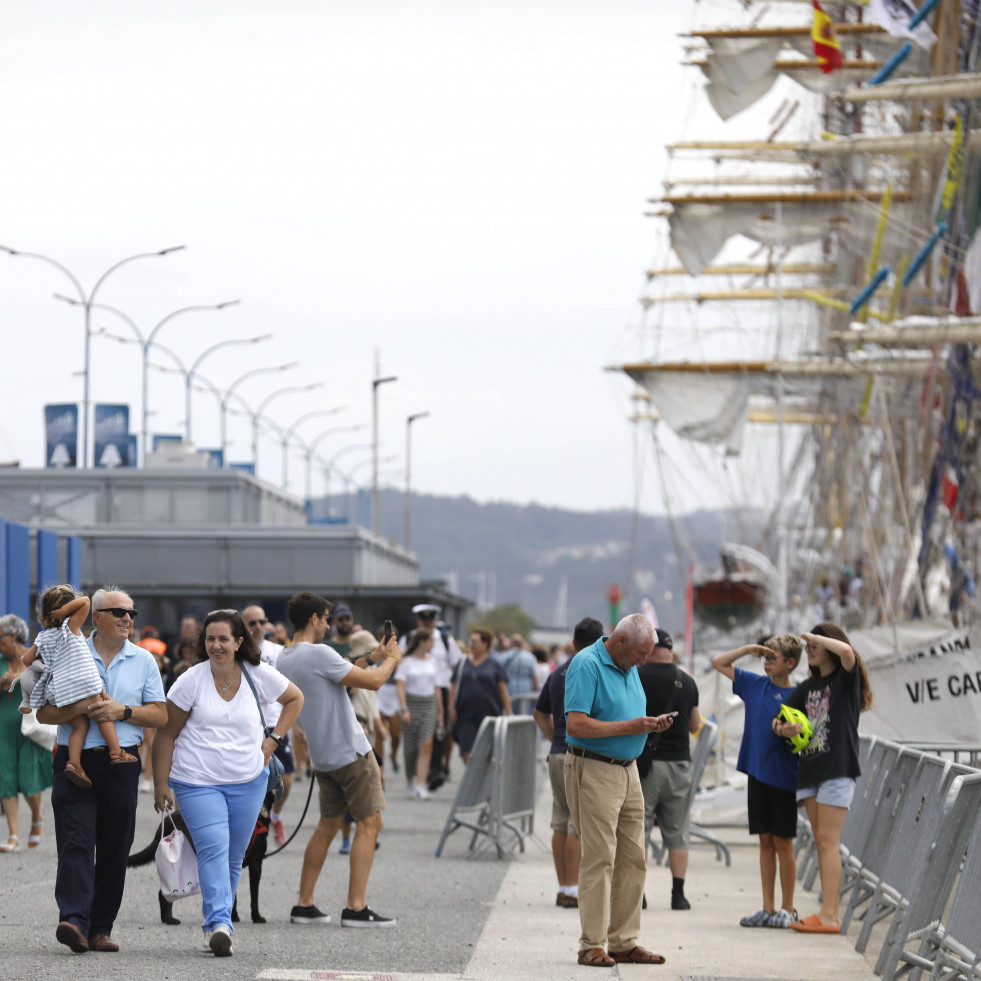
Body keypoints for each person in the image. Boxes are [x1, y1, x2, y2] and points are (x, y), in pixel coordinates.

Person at [152, 608, 303, 957]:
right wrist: (161, 783)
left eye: (223, 639)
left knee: (235, 856)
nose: (216, 645)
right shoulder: (191, 680)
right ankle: (220, 922)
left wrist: (274, 740)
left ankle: (215, 924)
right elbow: (166, 735)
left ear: (238, 642)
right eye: (210, 639)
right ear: (203, 643)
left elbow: (295, 699)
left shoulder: (258, 673)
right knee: (214, 848)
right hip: (196, 780)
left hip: (249, 779)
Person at [36, 586, 168, 954]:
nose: (128, 618)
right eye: (119, 612)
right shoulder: (67, 647)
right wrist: (78, 710)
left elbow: (160, 714)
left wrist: (121, 711)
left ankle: (99, 928)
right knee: (76, 841)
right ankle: (74, 921)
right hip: (73, 760)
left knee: (114, 847)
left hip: (121, 762)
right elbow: (43, 713)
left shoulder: (143, 660)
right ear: (96, 617)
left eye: (131, 613)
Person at [276, 591, 401, 928]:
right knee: (369, 823)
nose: (330, 625)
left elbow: (341, 675)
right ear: (314, 618)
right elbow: (373, 682)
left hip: (323, 758)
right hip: (351, 750)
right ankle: (356, 908)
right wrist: (392, 658)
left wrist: (373, 655)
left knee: (327, 825)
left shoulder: (285, 657)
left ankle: (304, 903)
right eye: (327, 619)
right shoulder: (319, 653)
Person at [563, 613, 675, 968]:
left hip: (628, 772)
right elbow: (576, 723)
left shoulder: (629, 667)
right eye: (642, 654)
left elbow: (624, 717)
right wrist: (631, 726)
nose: (645, 662)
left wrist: (650, 726)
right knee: (600, 857)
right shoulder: (587, 664)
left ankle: (624, 940)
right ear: (622, 641)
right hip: (594, 768)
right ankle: (591, 944)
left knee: (633, 857)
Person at [781, 623, 873, 935]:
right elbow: (777, 720)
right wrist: (784, 730)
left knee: (828, 842)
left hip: (838, 768)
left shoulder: (844, 679)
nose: (809, 650)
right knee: (821, 843)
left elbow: (848, 652)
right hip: (811, 770)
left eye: (814, 646)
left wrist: (812, 636)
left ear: (829, 645)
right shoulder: (807, 688)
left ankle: (831, 915)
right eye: (807, 646)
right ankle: (826, 911)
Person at [711, 634, 802, 928]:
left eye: (772, 658)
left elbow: (806, 734)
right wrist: (748, 650)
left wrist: (789, 730)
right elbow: (718, 663)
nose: (766, 663)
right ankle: (768, 907)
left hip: (785, 777)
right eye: (764, 657)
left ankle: (788, 908)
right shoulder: (754, 684)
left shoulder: (798, 695)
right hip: (757, 773)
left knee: (783, 842)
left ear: (790, 663)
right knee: (764, 840)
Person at [26, 586, 140, 787]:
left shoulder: (43, 637)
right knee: (102, 709)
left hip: (59, 691)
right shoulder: (70, 627)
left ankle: (74, 763)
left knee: (80, 725)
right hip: (83, 684)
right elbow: (86, 601)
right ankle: (116, 750)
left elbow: (27, 659)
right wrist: (64, 613)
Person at [533, 616, 603, 909]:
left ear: (573, 642)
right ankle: (574, 889)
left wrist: (553, 737)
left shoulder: (558, 672)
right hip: (580, 754)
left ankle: (563, 886)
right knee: (576, 825)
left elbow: (539, 712)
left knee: (560, 822)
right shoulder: (594, 670)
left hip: (557, 750)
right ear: (601, 642)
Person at [636, 627, 700, 912]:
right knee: (678, 831)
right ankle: (679, 894)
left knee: (641, 830)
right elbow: (695, 726)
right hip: (679, 764)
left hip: (645, 766)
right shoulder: (687, 681)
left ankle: (640, 894)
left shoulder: (635, 677)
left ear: (648, 649)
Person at [0, 614, 53, 853]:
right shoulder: (1, 661)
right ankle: (13, 835)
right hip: (4, 728)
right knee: (5, 778)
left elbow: (50, 679)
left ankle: (36, 815)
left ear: (13, 636)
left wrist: (19, 677)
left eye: (1, 635)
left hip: (30, 726)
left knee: (28, 777)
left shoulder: (34, 656)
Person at [241, 603, 292, 846]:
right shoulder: (237, 651)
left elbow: (294, 693)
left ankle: (275, 816)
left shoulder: (280, 651)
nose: (259, 627)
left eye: (262, 622)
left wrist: (299, 726)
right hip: (251, 725)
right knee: (254, 779)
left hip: (277, 723)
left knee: (287, 778)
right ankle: (252, 825)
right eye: (253, 623)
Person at [405, 604, 462, 778]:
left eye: (431, 620)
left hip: (440, 690)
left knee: (439, 729)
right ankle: (418, 768)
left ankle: (436, 769)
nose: (428, 623)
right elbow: (399, 660)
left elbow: (456, 664)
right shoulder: (409, 638)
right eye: (425, 620)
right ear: (419, 620)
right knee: (415, 731)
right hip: (415, 691)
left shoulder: (446, 640)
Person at [449, 627, 511, 762]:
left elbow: (503, 691)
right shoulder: (463, 662)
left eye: (474, 641)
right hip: (465, 715)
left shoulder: (495, 665)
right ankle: (474, 776)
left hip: (489, 716)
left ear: (485, 644)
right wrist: (451, 708)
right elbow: (453, 686)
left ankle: (481, 780)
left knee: (487, 753)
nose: (471, 644)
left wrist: (509, 713)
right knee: (466, 750)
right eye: (471, 641)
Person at [396, 628, 443, 799]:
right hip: (411, 703)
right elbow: (400, 687)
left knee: (427, 743)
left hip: (429, 704)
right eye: (431, 641)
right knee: (410, 747)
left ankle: (421, 784)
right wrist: (404, 709)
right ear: (422, 642)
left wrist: (440, 713)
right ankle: (410, 778)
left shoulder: (433, 661)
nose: (433, 645)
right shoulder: (406, 662)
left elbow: (437, 688)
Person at [501, 633, 539, 713]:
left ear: (511, 643)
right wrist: (535, 691)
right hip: (525, 693)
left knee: (508, 716)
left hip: (509, 692)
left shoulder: (504, 656)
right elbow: (534, 677)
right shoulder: (530, 657)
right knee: (523, 717)